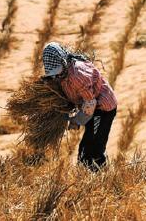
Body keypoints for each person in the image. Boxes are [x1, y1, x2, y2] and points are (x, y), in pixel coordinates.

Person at [42, 42, 117, 172]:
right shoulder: (61, 75)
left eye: (57, 72)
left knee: (93, 148)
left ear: (64, 62)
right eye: (53, 74)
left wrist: (77, 121)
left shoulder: (78, 75)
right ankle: (89, 173)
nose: (56, 76)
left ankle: (100, 177)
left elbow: (90, 103)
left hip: (103, 108)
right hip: (91, 109)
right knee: (86, 147)